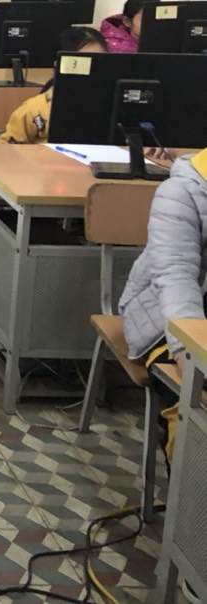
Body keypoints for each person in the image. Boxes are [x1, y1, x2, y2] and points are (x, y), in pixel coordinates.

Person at [118, 148, 207, 465]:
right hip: (166, 319)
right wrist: (186, 350)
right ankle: (187, 490)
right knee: (189, 403)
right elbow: (175, 275)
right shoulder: (182, 190)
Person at [0, 26, 108, 144]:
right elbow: (6, 148)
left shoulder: (111, 107)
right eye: (84, 62)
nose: (92, 69)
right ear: (60, 65)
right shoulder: (35, 110)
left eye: (99, 62)